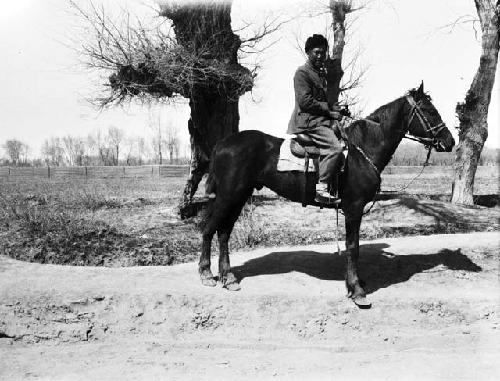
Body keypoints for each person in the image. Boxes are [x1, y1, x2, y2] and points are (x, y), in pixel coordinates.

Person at [287, 34, 344, 204]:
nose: (320, 56)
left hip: (318, 120)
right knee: (336, 148)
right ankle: (322, 188)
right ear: (308, 52)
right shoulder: (302, 73)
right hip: (308, 122)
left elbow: (322, 101)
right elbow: (305, 102)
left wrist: (337, 109)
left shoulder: (320, 74)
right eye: (316, 52)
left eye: (323, 53)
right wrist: (329, 112)